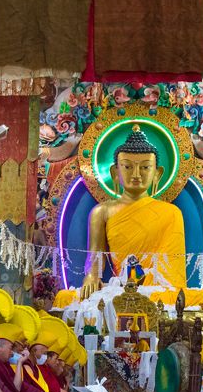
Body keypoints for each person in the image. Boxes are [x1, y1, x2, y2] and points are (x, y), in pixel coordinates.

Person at [80, 125, 186, 297]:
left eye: (145, 167)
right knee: (68, 297)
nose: (136, 174)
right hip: (121, 288)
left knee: (187, 298)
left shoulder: (171, 212)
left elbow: (173, 269)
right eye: (128, 167)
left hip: (161, 291)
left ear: (157, 174)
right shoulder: (102, 211)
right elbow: (95, 255)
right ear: (115, 172)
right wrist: (92, 275)